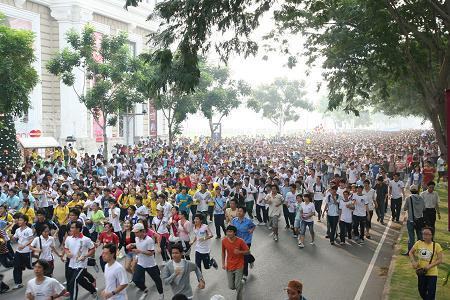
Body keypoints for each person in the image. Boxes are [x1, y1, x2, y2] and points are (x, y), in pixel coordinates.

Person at [129, 222, 164, 300]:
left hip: (150, 264)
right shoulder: (136, 238)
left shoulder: (149, 240)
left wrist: (140, 251)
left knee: (157, 280)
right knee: (136, 280)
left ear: (142, 231)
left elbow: (151, 253)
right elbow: (138, 243)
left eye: (136, 232)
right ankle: (145, 290)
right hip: (141, 263)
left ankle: (161, 294)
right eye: (134, 232)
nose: (135, 233)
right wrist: (132, 244)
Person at [64, 221, 97, 300]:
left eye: (72, 227)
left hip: (81, 264)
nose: (70, 229)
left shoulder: (86, 239)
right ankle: (93, 290)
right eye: (70, 227)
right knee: (80, 280)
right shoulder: (68, 238)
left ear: (78, 229)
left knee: (74, 281)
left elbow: (92, 249)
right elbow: (66, 248)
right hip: (71, 264)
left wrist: (85, 256)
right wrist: (67, 253)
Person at [409, 227, 444, 300]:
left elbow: (440, 260)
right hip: (421, 272)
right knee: (421, 291)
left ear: (432, 235)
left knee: (431, 293)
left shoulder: (436, 245)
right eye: (424, 234)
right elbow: (411, 252)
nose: (425, 236)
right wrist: (413, 262)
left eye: (427, 234)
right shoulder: (418, 243)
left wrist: (429, 266)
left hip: (432, 274)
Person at [221, 225, 249, 300]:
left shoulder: (240, 241)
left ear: (235, 232)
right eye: (227, 231)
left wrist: (239, 252)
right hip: (229, 265)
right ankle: (241, 282)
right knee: (231, 286)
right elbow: (223, 252)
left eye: (230, 232)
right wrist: (223, 263)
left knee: (237, 286)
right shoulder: (224, 241)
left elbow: (248, 252)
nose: (228, 233)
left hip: (239, 265)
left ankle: (239, 297)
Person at [230, 206, 256, 281]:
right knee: (240, 255)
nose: (238, 212)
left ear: (244, 213)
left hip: (246, 241)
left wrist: (251, 230)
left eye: (240, 211)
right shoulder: (234, 220)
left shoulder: (248, 221)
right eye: (238, 211)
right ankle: (251, 259)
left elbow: (253, 226)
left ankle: (245, 274)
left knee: (244, 258)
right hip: (237, 241)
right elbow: (231, 229)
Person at [12, 214, 34, 290]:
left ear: (25, 221)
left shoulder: (29, 230)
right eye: (18, 220)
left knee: (30, 266)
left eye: (20, 220)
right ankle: (18, 283)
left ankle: (44, 270)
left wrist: (24, 245)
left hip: (27, 251)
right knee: (16, 267)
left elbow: (31, 239)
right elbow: (14, 238)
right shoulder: (17, 230)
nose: (18, 221)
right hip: (18, 251)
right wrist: (13, 238)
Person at [403, 185, 426, 254]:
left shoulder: (408, 198)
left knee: (411, 237)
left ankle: (410, 251)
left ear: (410, 191)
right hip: (419, 220)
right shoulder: (421, 198)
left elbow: (404, 208)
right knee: (419, 236)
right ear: (417, 191)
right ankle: (420, 251)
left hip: (411, 219)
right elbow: (424, 209)